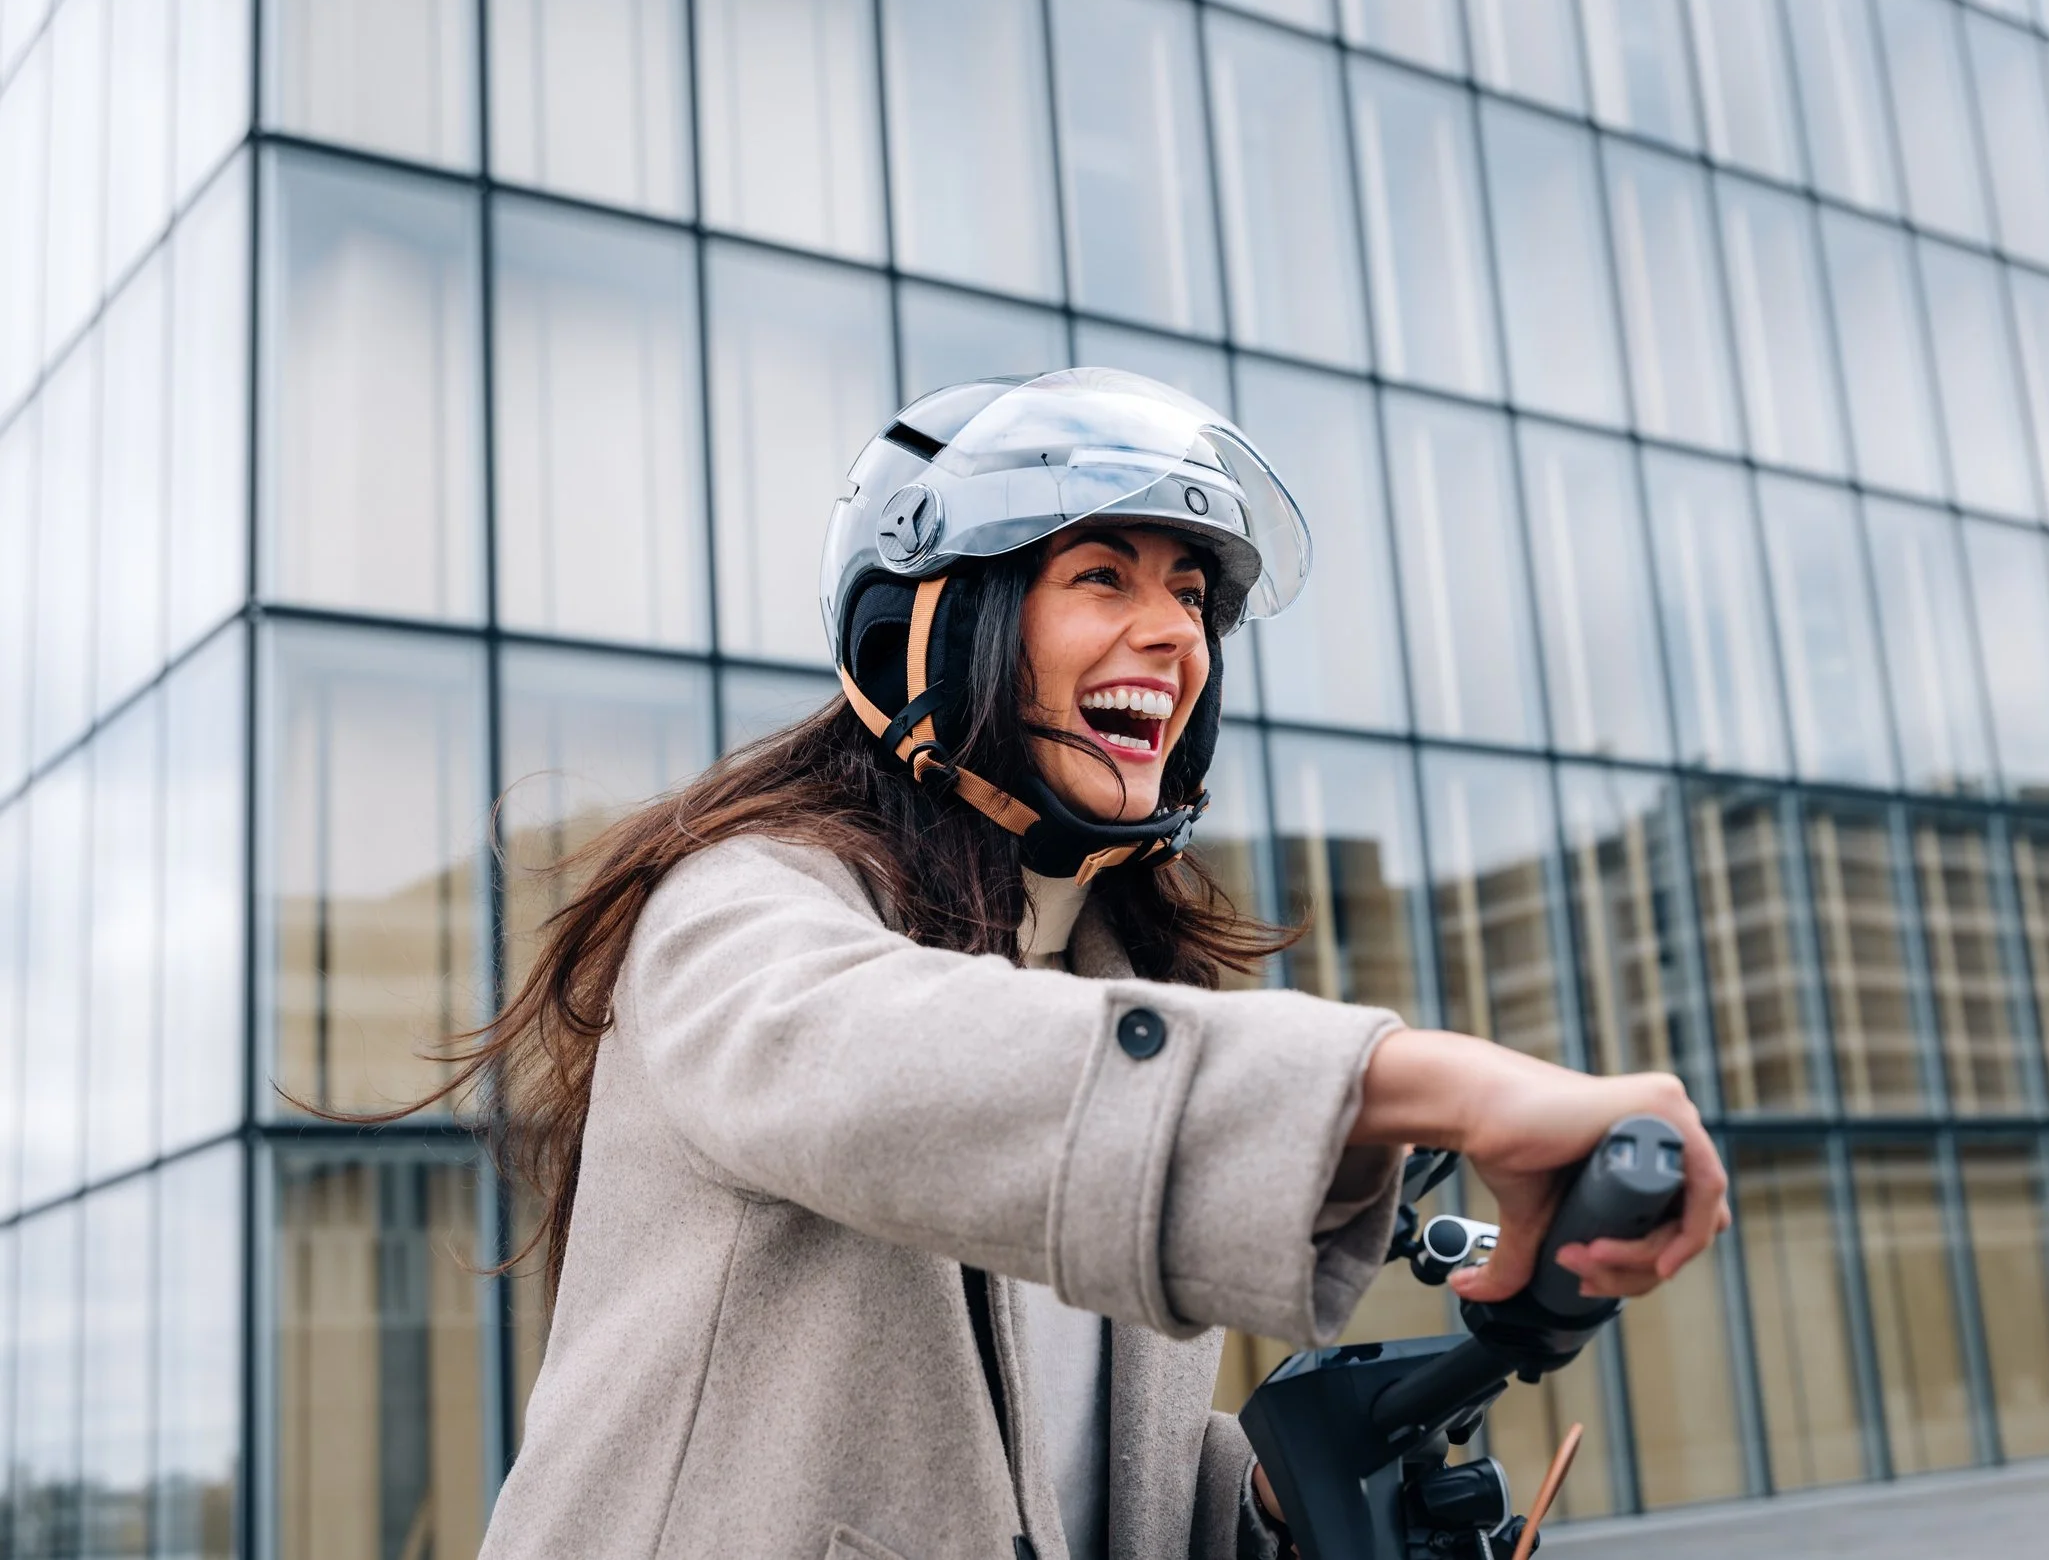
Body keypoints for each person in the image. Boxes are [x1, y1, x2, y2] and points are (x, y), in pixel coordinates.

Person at [457, 369, 1729, 1560]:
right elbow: (889, 1069)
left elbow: (1065, 1492)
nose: (1172, 633)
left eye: (1191, 595)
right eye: (1103, 576)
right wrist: (1427, 1081)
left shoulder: (1120, 1007)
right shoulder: (743, 905)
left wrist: (1286, 1499)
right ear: (939, 630)